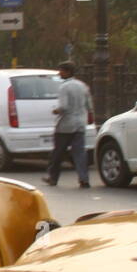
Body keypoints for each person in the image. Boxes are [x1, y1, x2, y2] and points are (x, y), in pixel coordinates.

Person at [44, 60, 93, 188]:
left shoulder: (64, 87)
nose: (59, 73)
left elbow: (64, 106)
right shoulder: (83, 86)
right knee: (80, 153)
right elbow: (89, 105)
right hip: (80, 124)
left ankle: (53, 178)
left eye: (61, 70)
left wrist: (56, 111)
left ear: (68, 72)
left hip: (66, 126)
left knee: (58, 153)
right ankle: (84, 179)